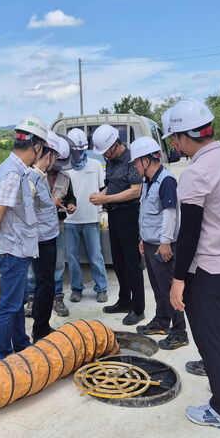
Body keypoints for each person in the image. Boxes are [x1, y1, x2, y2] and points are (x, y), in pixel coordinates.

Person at [163, 99, 220, 432]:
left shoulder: (197, 172)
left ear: (185, 136)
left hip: (210, 270)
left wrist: (178, 279)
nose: (175, 146)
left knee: (211, 340)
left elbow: (189, 233)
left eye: (175, 139)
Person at [0, 116, 49, 359]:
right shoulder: (13, 173)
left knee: (17, 301)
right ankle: (3, 356)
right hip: (11, 249)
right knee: (8, 306)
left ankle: (21, 344)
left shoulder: (14, 168)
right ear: (36, 146)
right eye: (42, 150)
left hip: (18, 248)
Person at [128, 136, 188, 351]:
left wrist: (165, 243)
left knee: (170, 289)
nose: (135, 167)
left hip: (163, 245)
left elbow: (170, 214)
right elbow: (146, 213)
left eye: (136, 162)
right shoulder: (148, 182)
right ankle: (162, 321)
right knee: (158, 287)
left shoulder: (166, 181)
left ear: (146, 160)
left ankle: (179, 332)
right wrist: (142, 239)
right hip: (150, 243)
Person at [89, 124, 145, 326]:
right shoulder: (110, 160)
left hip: (129, 214)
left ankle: (138, 308)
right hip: (114, 213)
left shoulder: (132, 159)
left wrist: (106, 198)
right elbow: (111, 185)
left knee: (132, 263)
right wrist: (100, 195)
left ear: (115, 145)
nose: (104, 155)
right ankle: (124, 300)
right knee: (118, 261)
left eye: (106, 151)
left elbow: (135, 190)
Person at [26, 133, 78, 321]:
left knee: (58, 263)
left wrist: (71, 205)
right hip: (37, 229)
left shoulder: (65, 177)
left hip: (58, 226)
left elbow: (71, 197)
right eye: (55, 160)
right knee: (33, 266)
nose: (56, 166)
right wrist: (50, 202)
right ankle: (32, 298)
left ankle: (57, 297)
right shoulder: (34, 175)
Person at [63, 128, 109, 304]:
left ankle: (101, 288)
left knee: (96, 255)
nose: (79, 154)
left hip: (91, 218)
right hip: (70, 220)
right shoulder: (65, 169)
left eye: (82, 150)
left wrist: (103, 207)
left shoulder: (95, 165)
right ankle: (76, 288)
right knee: (72, 257)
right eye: (76, 151)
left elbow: (103, 188)